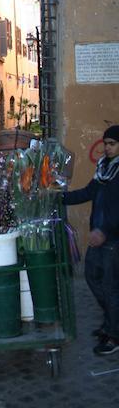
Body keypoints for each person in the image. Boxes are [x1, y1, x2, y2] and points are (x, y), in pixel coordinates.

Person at [63, 125, 119, 355]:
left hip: (113, 238)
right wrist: (60, 198)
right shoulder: (103, 169)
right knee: (92, 277)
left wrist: (105, 231)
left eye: (112, 143)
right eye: (105, 143)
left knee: (111, 287)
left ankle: (114, 336)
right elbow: (88, 192)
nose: (107, 147)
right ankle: (110, 323)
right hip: (99, 234)